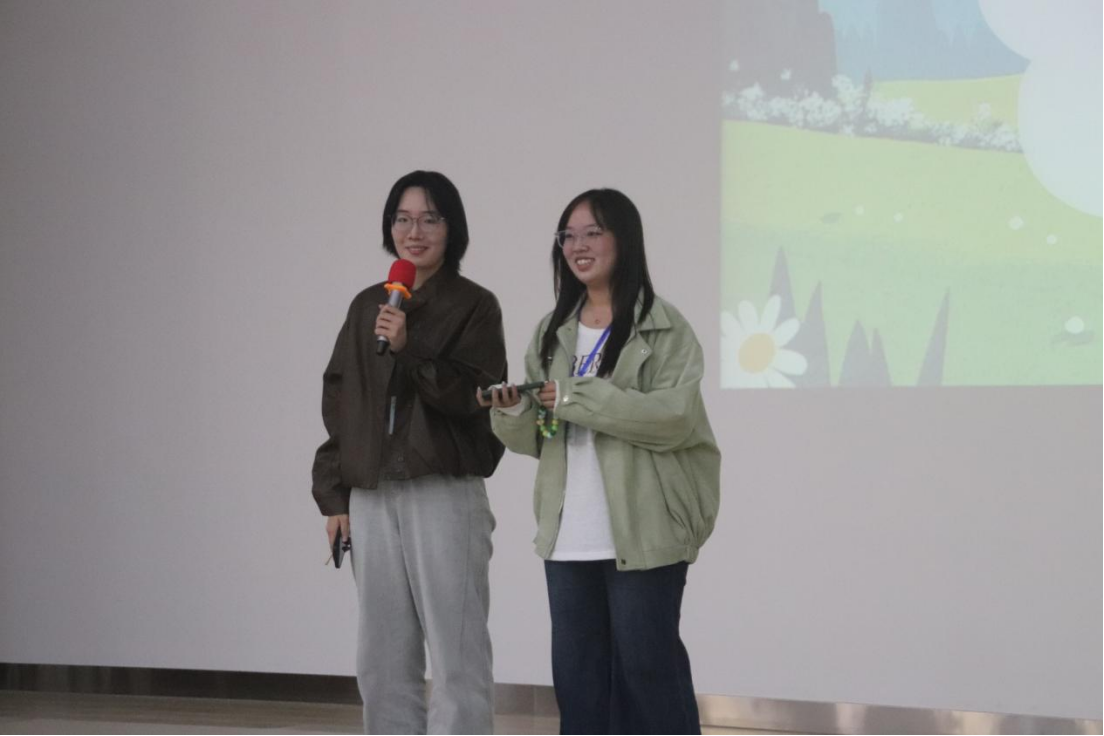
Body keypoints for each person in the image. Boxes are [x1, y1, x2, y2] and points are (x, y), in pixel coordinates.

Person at [478, 188, 720, 735]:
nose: (578, 246)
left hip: (645, 528)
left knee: (648, 676)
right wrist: (514, 410)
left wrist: (576, 396)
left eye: (593, 232)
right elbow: (542, 438)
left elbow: (672, 419)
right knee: (578, 684)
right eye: (568, 235)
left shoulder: (664, 326)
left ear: (624, 240)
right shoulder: (552, 331)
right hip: (568, 536)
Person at [312, 170, 506, 734]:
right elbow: (341, 402)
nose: (413, 231)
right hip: (371, 493)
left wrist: (408, 347)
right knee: (381, 658)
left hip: (442, 489)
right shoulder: (367, 306)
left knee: (456, 655)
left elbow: (476, 397)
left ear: (452, 228)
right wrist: (334, 495)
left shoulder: (475, 305)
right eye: (402, 218)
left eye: (429, 219)